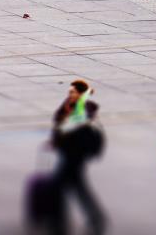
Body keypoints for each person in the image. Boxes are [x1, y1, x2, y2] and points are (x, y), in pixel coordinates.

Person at [51, 80, 107, 235]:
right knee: (78, 187)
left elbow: (72, 124)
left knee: (58, 186)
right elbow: (59, 124)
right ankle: (96, 217)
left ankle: (58, 225)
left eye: (73, 92)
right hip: (68, 152)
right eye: (69, 92)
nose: (70, 94)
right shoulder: (68, 105)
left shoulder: (84, 110)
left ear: (81, 95)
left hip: (76, 155)